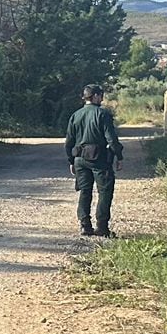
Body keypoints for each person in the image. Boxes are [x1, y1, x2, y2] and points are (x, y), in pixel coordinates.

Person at [64, 84, 123, 237]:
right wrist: (119, 156)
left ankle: (85, 225)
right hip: (99, 159)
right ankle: (102, 227)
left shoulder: (75, 115)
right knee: (104, 191)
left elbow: (69, 141)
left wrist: (71, 160)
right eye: (101, 95)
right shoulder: (103, 114)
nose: (102, 98)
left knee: (85, 191)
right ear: (95, 96)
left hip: (79, 158)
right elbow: (111, 138)